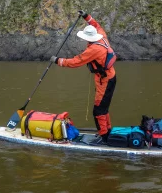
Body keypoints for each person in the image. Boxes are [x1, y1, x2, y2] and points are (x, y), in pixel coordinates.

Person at [50, 10, 117, 144]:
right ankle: (107, 131)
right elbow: (96, 24)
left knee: (98, 111)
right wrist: (86, 16)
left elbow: (75, 62)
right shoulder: (102, 35)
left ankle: (104, 137)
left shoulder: (93, 50)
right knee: (103, 108)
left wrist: (58, 61)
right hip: (108, 77)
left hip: (105, 80)